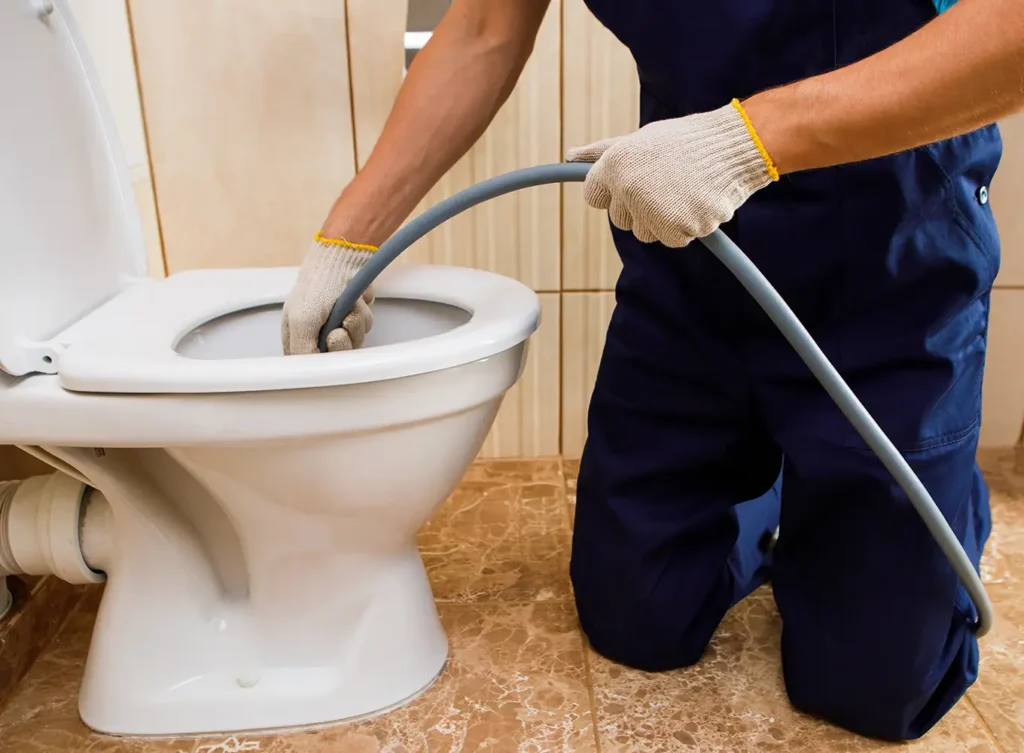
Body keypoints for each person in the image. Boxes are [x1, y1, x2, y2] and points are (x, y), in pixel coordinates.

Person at [281, 0, 1023, 740]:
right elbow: (483, 26)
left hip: (890, 261)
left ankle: (910, 505)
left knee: (878, 686)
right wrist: (348, 240)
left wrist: (749, 141)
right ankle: (785, 487)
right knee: (637, 615)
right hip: (693, 263)